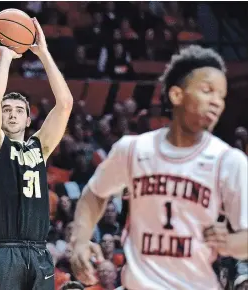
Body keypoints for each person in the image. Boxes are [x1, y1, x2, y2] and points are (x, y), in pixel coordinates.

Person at [69, 45, 248, 289]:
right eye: (207, 91)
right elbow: (94, 193)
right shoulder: (133, 149)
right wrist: (80, 239)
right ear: (176, 95)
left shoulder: (230, 161)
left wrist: (228, 242)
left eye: (221, 96)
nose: (216, 102)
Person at [0, 18, 73, 290]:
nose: (13, 114)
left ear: (29, 120)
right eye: (7, 110)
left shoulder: (38, 148)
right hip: (2, 251)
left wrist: (43, 52)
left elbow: (65, 104)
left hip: (39, 251)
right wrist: (6, 56)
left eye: (19, 110)